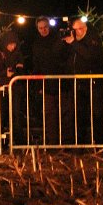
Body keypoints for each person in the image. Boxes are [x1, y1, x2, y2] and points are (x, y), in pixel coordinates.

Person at [64, 18, 103, 144]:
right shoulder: (72, 40)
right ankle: (80, 144)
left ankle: (101, 144)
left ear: (86, 27)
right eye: (75, 29)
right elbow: (59, 55)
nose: (78, 31)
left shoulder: (93, 38)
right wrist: (64, 41)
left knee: (97, 114)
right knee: (79, 114)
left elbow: (90, 56)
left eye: (81, 28)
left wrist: (74, 43)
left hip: (93, 82)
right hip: (78, 83)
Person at [31, 16, 70, 144]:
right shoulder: (36, 44)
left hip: (62, 82)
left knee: (65, 114)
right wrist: (38, 86)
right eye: (40, 28)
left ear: (49, 26)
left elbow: (65, 59)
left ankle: (66, 141)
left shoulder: (58, 40)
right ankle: (53, 142)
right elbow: (36, 65)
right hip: (47, 85)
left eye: (45, 27)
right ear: (37, 29)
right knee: (50, 115)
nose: (43, 30)